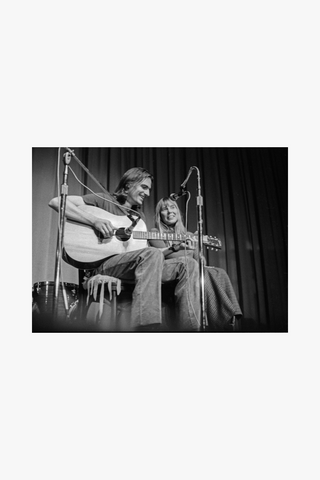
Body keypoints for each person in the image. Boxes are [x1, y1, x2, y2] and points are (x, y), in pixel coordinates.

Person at [48, 167, 200, 332]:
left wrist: (175, 247)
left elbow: (148, 257)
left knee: (188, 264)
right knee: (152, 253)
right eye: (144, 187)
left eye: (149, 189)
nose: (148, 193)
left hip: (130, 265)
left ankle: (190, 329)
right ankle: (146, 326)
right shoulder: (104, 200)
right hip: (104, 265)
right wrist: (94, 221)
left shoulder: (138, 217)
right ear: (128, 185)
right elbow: (57, 202)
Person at [149, 197, 243, 331]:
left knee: (219, 272)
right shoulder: (154, 232)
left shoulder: (187, 234)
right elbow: (160, 256)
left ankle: (229, 315)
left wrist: (197, 246)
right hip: (169, 271)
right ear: (160, 215)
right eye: (165, 208)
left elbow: (198, 263)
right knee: (200, 268)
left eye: (173, 207)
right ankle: (221, 317)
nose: (169, 211)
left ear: (178, 212)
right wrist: (180, 248)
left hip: (191, 269)